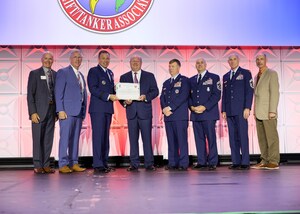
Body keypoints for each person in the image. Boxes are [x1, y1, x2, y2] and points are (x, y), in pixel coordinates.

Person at [119, 56, 159, 171]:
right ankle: (134, 163)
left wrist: (146, 97)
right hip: (131, 112)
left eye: (137, 61)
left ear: (141, 63)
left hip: (145, 113)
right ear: (130, 63)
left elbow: (155, 91)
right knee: (133, 139)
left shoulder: (149, 76)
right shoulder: (124, 77)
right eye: (133, 62)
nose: (135, 63)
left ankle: (149, 163)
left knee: (147, 139)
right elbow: (120, 95)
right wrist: (125, 102)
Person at [55, 49, 87, 173]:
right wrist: (60, 110)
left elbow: (82, 95)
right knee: (65, 138)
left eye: (79, 57)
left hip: (79, 113)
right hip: (67, 113)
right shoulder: (63, 72)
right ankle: (63, 163)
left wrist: (83, 111)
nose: (77, 59)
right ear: (70, 59)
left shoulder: (81, 76)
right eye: (75, 57)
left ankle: (74, 162)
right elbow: (59, 93)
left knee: (75, 139)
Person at [87, 50, 118, 173]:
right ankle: (98, 164)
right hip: (98, 109)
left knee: (105, 137)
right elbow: (93, 89)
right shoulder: (94, 71)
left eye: (107, 58)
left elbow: (111, 90)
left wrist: (117, 90)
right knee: (98, 136)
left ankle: (104, 163)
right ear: (99, 59)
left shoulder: (110, 72)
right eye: (103, 58)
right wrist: (108, 96)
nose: (106, 60)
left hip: (108, 109)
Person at [221, 54, 254, 170]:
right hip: (229, 111)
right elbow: (224, 95)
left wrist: (247, 107)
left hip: (241, 110)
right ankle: (235, 161)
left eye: (234, 59)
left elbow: (249, 91)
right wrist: (223, 109)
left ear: (238, 60)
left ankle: (245, 162)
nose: (232, 61)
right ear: (228, 62)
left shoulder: (245, 73)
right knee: (232, 137)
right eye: (230, 60)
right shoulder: (225, 76)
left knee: (242, 136)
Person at [27, 52, 56, 174]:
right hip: (38, 112)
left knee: (48, 139)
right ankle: (38, 164)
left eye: (50, 59)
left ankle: (46, 164)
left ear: (53, 61)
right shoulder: (34, 74)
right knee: (38, 138)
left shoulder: (55, 74)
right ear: (41, 60)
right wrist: (32, 112)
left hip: (51, 111)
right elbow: (30, 95)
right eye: (46, 58)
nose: (48, 61)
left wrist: (57, 112)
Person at [189, 58, 221, 170]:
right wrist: (191, 107)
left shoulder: (214, 77)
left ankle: (213, 162)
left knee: (211, 138)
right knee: (199, 139)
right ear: (195, 65)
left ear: (206, 64)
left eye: (202, 63)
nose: (199, 64)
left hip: (208, 113)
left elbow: (216, 95)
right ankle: (201, 161)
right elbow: (188, 96)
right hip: (195, 114)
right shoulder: (191, 80)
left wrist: (204, 107)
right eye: (197, 63)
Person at [160, 59, 190, 171]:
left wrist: (170, 107)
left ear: (179, 67)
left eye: (173, 66)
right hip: (168, 116)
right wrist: (164, 109)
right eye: (169, 66)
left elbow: (183, 96)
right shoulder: (166, 83)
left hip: (180, 116)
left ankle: (183, 163)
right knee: (171, 140)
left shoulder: (185, 80)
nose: (170, 68)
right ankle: (172, 162)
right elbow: (162, 97)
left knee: (182, 140)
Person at [252, 54, 280, 170]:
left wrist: (272, 110)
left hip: (268, 111)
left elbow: (274, 93)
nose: (259, 61)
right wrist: (254, 110)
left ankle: (273, 161)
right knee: (262, 138)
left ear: (266, 60)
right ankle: (264, 160)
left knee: (271, 137)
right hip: (258, 112)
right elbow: (257, 96)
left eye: (261, 59)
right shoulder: (256, 76)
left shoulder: (272, 73)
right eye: (257, 59)